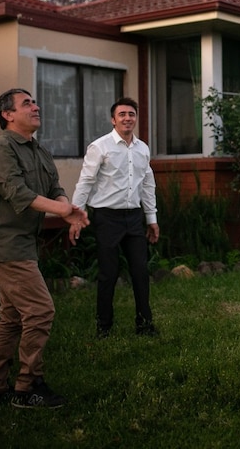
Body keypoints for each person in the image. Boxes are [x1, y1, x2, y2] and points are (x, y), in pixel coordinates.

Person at [0, 89, 89, 409]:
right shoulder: (1, 149)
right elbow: (19, 194)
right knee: (40, 310)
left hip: (23, 242)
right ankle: (28, 388)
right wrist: (63, 210)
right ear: (7, 115)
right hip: (4, 242)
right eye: (26, 103)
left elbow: (56, 189)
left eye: (35, 102)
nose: (36, 106)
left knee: (12, 317)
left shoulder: (39, 151)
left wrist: (68, 210)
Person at [71, 97, 159, 338]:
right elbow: (86, 181)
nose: (127, 118)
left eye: (131, 114)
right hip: (107, 218)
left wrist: (151, 218)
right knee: (108, 274)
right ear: (113, 119)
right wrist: (75, 214)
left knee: (140, 271)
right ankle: (104, 327)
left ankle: (144, 324)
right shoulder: (100, 147)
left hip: (134, 218)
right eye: (122, 114)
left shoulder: (143, 149)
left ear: (136, 118)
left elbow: (147, 184)